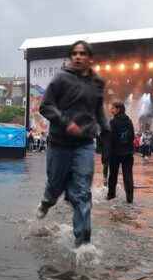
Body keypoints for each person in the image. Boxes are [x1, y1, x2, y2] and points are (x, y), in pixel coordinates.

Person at [36, 40, 109, 248]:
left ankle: (83, 242)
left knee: (83, 191)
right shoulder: (60, 79)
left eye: (82, 53)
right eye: (74, 53)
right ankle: (47, 202)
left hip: (84, 143)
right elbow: (45, 106)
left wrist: (106, 129)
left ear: (90, 58)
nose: (78, 57)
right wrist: (66, 123)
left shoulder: (97, 83)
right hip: (59, 143)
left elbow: (98, 110)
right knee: (55, 186)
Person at [106, 101, 134, 203]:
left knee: (113, 175)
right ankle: (130, 198)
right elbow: (132, 136)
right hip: (128, 153)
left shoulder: (113, 122)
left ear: (118, 109)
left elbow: (110, 139)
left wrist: (107, 153)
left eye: (112, 108)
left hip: (115, 153)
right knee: (128, 176)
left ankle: (111, 196)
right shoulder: (129, 121)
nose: (111, 110)